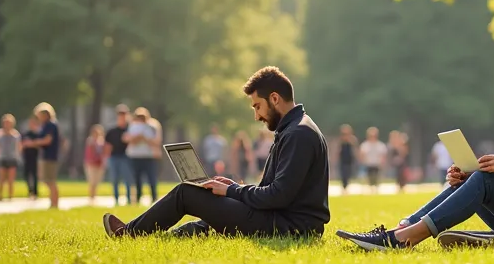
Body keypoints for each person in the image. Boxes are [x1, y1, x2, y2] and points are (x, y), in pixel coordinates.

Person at [337, 64, 494, 249]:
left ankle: (405, 239)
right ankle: (401, 227)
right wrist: (469, 178)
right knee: (475, 178)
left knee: (485, 180)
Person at [102, 66, 330, 238]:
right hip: (284, 219)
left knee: (186, 193)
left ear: (274, 99)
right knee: (207, 199)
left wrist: (233, 191)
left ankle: (129, 233)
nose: (257, 116)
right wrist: (231, 188)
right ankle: (176, 235)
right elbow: (274, 192)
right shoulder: (295, 128)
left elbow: (278, 196)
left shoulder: (298, 134)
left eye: (257, 106)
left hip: (290, 227)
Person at [31, 103, 62, 209]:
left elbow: (47, 140)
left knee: (50, 180)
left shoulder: (50, 125)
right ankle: (53, 203)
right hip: (47, 156)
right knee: (47, 180)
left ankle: (54, 203)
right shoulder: (46, 125)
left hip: (50, 156)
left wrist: (33, 143)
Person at [126, 108, 159, 204]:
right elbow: (129, 140)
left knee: (151, 178)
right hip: (135, 156)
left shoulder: (152, 127)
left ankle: (154, 197)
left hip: (149, 156)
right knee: (137, 179)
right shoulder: (132, 126)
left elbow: (155, 141)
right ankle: (138, 198)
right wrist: (139, 138)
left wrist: (144, 138)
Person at [104, 105, 133, 206]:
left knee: (127, 179)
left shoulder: (131, 129)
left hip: (126, 157)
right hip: (114, 157)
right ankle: (116, 200)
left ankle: (129, 200)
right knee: (115, 179)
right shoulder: (112, 131)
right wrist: (106, 158)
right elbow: (108, 146)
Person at [0, 114, 22, 201]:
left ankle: (10, 195)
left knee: (11, 179)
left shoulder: (16, 134)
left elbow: (19, 146)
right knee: (1, 178)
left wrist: (18, 156)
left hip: (12, 158)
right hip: (2, 158)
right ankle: (0, 194)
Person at [20, 115, 43, 200]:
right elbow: (21, 144)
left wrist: (32, 144)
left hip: (35, 158)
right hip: (26, 157)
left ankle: (35, 192)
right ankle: (30, 190)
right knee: (26, 174)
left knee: (35, 175)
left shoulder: (38, 134)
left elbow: (40, 145)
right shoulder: (26, 134)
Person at [359, 127, 388, 192]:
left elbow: (383, 155)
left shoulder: (380, 145)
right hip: (368, 164)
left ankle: (375, 189)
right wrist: (363, 161)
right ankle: (370, 188)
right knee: (369, 178)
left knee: (376, 177)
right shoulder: (365, 145)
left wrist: (382, 162)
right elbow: (362, 154)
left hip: (377, 164)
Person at [84, 124, 107, 202]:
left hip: (99, 164)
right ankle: (91, 197)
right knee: (92, 181)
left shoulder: (102, 141)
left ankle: (94, 196)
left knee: (96, 182)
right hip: (91, 164)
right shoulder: (90, 141)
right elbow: (90, 153)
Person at [337, 125, 358, 191]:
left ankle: (346, 185)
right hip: (342, 159)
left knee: (348, 172)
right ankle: (344, 186)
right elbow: (338, 149)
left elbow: (355, 148)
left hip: (350, 159)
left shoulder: (352, 139)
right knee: (343, 173)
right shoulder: (341, 140)